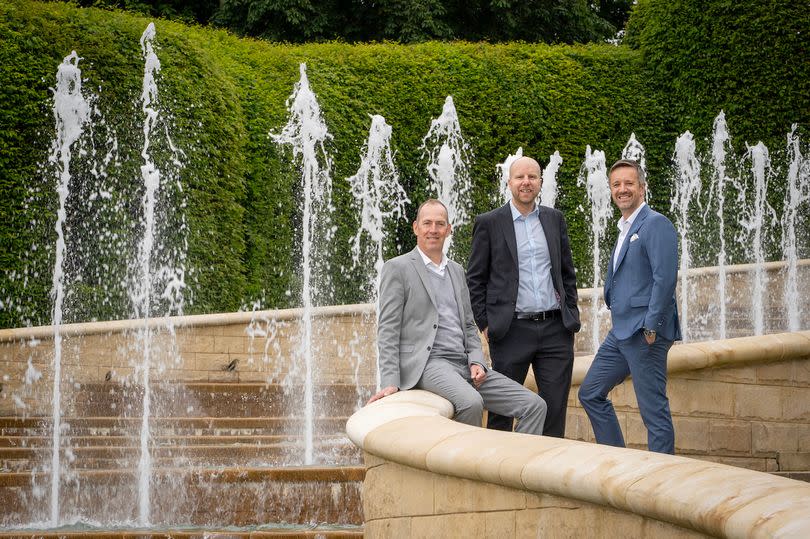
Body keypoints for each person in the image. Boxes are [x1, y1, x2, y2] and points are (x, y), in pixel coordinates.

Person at [367, 199, 547, 435]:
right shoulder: (398, 268)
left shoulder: (456, 271)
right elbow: (388, 329)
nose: (433, 229)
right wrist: (390, 381)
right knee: (471, 402)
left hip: (463, 364)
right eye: (427, 223)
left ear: (448, 229)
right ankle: (466, 469)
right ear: (416, 227)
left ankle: (518, 468)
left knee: (534, 405)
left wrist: (476, 360)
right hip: (428, 364)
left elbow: (468, 325)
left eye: (440, 224)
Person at [467, 156, 581, 437]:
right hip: (511, 330)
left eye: (532, 177)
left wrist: (571, 313)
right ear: (509, 182)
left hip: (556, 330)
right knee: (503, 413)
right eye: (520, 177)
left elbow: (567, 272)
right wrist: (486, 324)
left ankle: (547, 474)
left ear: (541, 182)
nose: (526, 182)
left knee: (554, 411)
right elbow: (475, 279)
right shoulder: (490, 223)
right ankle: (501, 473)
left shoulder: (554, 220)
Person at [578, 159, 681, 454]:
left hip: (644, 332)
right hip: (621, 332)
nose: (622, 189)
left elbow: (664, 279)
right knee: (590, 393)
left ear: (642, 187)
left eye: (629, 183)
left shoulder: (655, 223)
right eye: (616, 185)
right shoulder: (626, 226)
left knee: (653, 413)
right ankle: (620, 461)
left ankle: (662, 483)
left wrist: (651, 326)